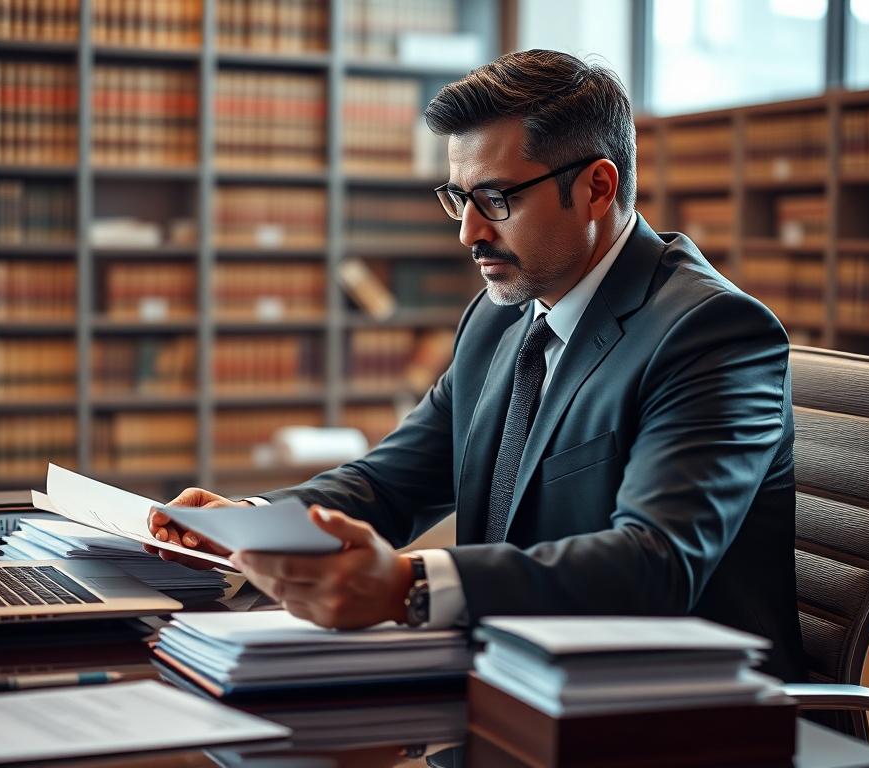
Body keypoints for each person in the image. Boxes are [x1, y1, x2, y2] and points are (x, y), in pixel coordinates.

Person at [148, 50, 805, 682]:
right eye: (458, 198)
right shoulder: (498, 318)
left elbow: (655, 561)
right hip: (500, 680)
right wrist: (249, 522)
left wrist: (411, 585)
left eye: (496, 199)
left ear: (597, 189)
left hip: (666, 713)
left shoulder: (711, 333)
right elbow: (393, 483)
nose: (468, 232)